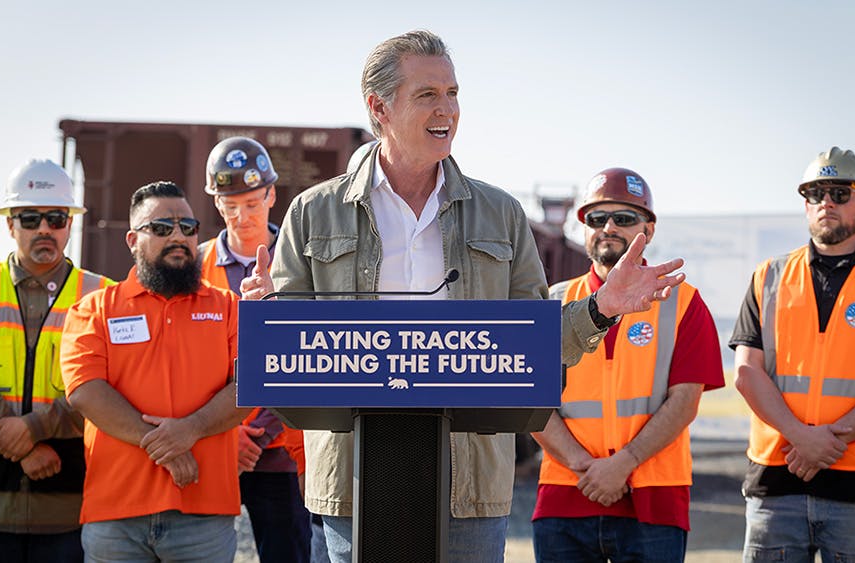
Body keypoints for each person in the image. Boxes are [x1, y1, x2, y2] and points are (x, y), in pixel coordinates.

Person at [240, 30, 687, 563]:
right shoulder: (314, 213)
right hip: (354, 483)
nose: (447, 108)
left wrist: (601, 309)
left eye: (453, 93)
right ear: (379, 107)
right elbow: (293, 362)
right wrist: (269, 321)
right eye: (427, 94)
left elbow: (534, 348)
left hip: (468, 485)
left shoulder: (500, 214)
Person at [730, 147, 855, 562]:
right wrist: (803, 438)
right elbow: (748, 374)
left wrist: (826, 443)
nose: (826, 201)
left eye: (839, 192)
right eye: (815, 193)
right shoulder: (767, 277)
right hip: (777, 481)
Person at [531, 168, 724, 562]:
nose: (608, 228)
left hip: (654, 499)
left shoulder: (683, 302)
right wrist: (583, 466)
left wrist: (624, 464)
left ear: (648, 230)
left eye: (623, 218)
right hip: (566, 494)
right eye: (597, 219)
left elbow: (685, 402)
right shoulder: (553, 302)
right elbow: (530, 399)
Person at [59, 181, 253, 562]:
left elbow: (251, 386)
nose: (178, 236)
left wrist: (191, 429)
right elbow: (85, 390)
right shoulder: (94, 309)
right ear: (133, 239)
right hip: (116, 515)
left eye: (188, 227)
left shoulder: (230, 307)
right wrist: (166, 445)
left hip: (204, 514)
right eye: (162, 228)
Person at [0, 159, 112, 562]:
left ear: (70, 223)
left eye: (56, 217)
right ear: (10, 224)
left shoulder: (102, 295)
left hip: (69, 504)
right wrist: (25, 448)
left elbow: (106, 385)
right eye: (31, 217)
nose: (44, 228)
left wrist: (34, 427)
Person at [199, 136, 311, 562]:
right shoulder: (195, 267)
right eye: (229, 205)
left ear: (271, 195)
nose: (241, 216)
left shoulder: (301, 262)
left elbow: (306, 354)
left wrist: (258, 432)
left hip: (282, 452)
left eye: (250, 202)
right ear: (216, 204)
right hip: (212, 445)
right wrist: (225, 431)